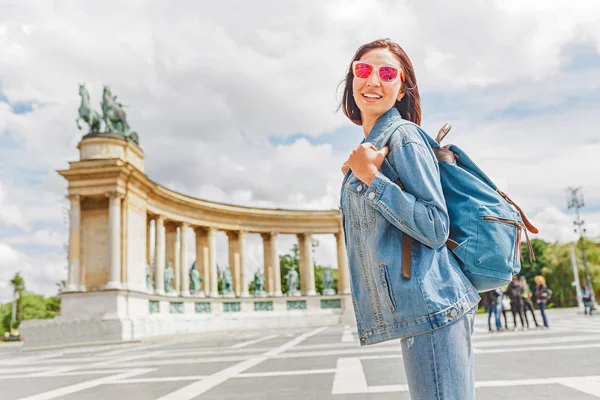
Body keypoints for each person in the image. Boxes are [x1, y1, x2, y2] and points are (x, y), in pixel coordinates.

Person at [338, 38, 481, 400]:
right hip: (428, 309)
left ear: (402, 88)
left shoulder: (403, 138)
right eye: (363, 70)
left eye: (387, 73)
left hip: (436, 307)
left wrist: (372, 179)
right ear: (351, 79)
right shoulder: (376, 143)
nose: (373, 81)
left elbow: (435, 226)